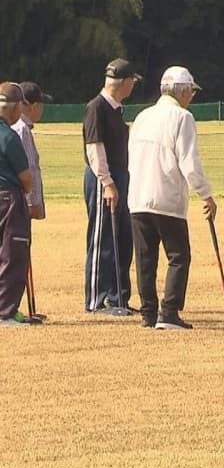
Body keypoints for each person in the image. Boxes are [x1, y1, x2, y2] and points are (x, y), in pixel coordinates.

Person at [128, 66, 217, 329]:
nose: (192, 97)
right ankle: (168, 313)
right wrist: (206, 194)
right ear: (184, 91)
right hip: (167, 197)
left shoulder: (142, 116)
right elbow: (189, 162)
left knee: (145, 259)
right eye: (191, 92)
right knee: (179, 256)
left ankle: (148, 314)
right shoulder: (183, 118)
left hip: (139, 197)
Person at [83, 58, 140, 313]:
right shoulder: (97, 107)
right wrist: (107, 182)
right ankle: (96, 299)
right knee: (102, 237)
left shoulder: (116, 108)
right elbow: (95, 148)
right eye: (132, 82)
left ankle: (118, 297)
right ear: (125, 82)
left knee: (122, 237)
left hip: (120, 175)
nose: (133, 87)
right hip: (103, 178)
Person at [0, 82, 33, 326]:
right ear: (11, 108)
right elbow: (26, 178)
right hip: (8, 198)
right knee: (13, 252)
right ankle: (6, 310)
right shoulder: (8, 136)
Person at [12, 82, 53, 221]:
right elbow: (29, 168)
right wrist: (34, 203)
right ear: (34, 106)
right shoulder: (22, 129)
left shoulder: (11, 125)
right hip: (20, 204)